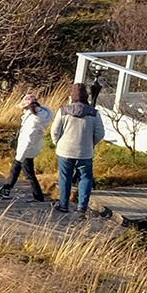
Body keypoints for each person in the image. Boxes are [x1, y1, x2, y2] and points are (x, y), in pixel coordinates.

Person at [50, 81, 106, 218]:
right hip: (85, 151)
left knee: (65, 178)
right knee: (85, 178)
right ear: (86, 96)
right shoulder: (94, 113)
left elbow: (54, 131)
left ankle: (63, 205)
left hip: (65, 150)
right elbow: (100, 133)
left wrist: (58, 143)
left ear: (72, 96)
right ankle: (82, 208)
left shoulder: (63, 111)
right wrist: (90, 143)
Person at [0, 92, 53, 201]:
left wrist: (20, 155)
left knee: (17, 168)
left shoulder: (33, 121)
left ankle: (7, 190)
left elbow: (28, 139)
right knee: (28, 172)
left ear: (27, 107)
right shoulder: (41, 115)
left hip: (26, 149)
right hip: (32, 148)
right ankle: (36, 195)